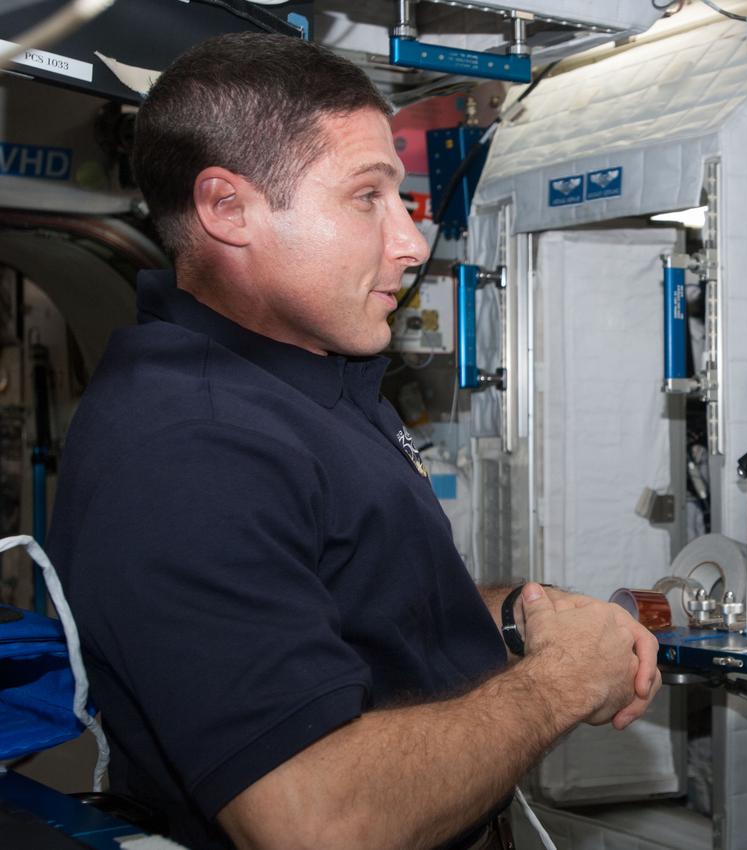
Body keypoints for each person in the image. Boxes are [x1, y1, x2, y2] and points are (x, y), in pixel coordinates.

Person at [48, 31, 660, 850]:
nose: (410, 243)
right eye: (366, 196)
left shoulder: (300, 382)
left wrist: (519, 617)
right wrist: (558, 683)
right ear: (227, 209)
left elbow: (337, 596)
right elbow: (313, 823)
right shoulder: (187, 449)